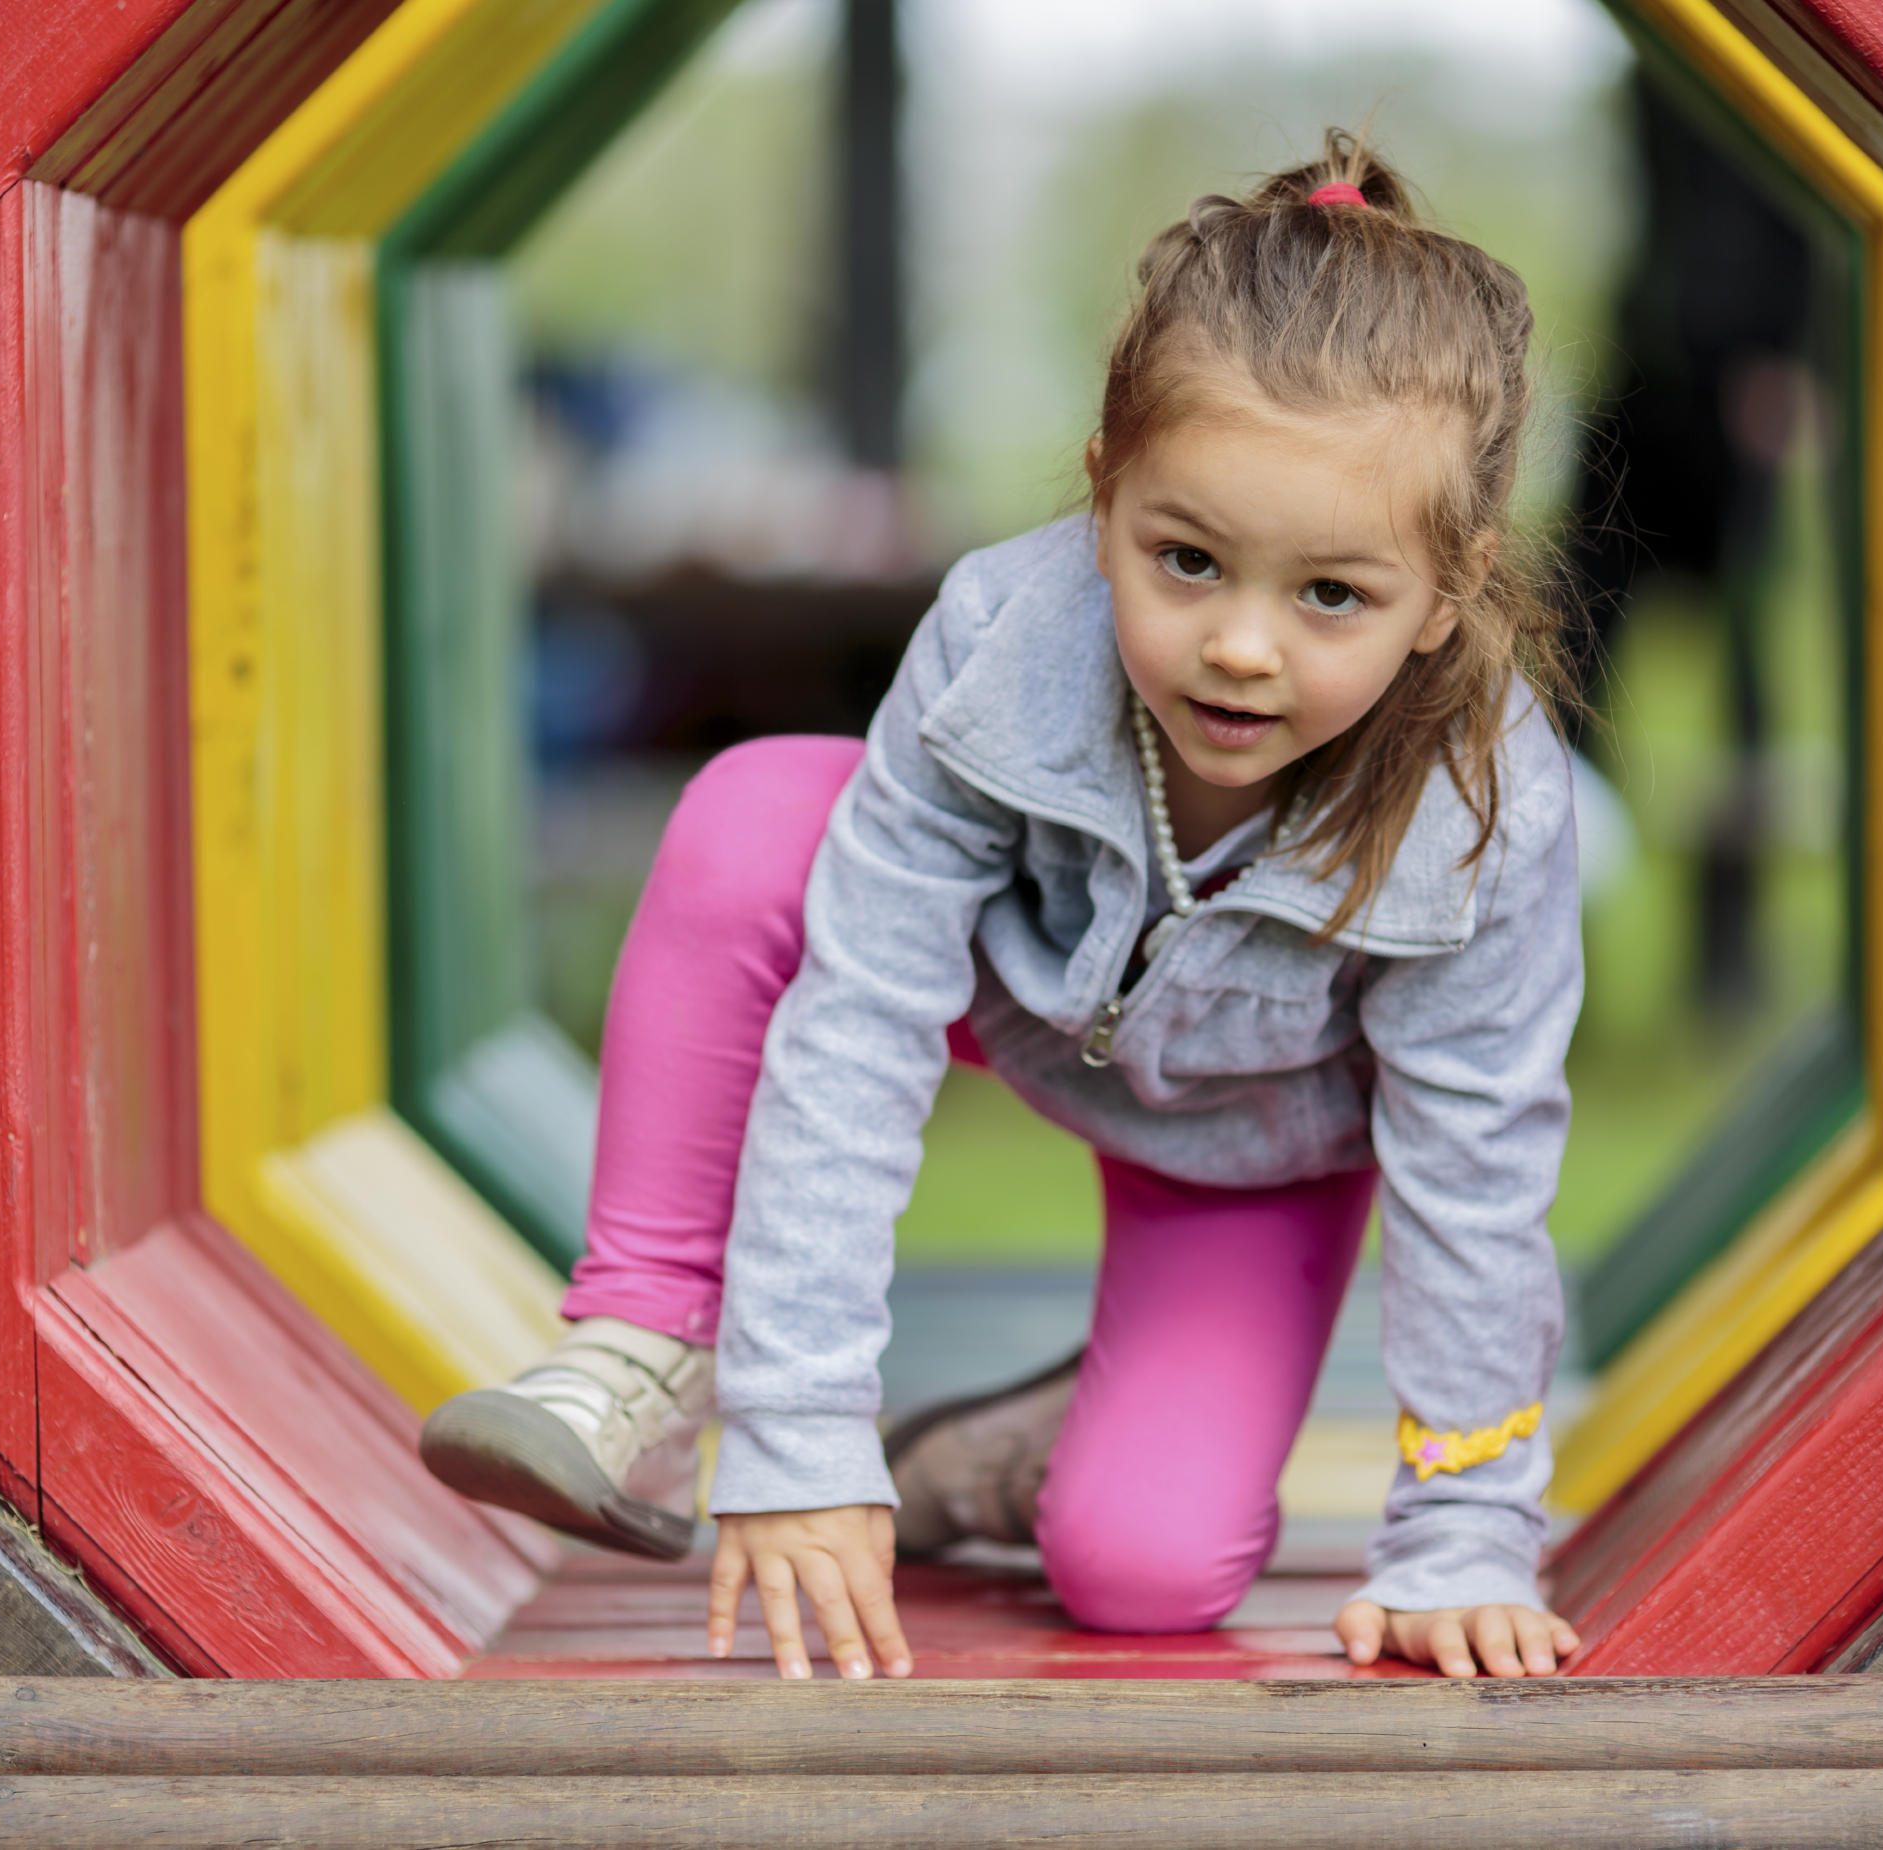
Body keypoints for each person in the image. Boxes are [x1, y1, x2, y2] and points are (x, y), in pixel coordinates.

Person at [423, 132, 1585, 1683]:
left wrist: (1464, 1534)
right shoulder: (1002, 648)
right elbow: (854, 1034)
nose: (1241, 645)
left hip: (1257, 1139)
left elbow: (1476, 1176)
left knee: (1147, 1572)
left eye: (1330, 597)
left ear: (1446, 591)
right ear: (1104, 499)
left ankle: (1025, 1445)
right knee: (762, 815)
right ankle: (641, 1339)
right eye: (1186, 560)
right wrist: (802, 1428)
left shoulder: (1478, 811)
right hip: (1011, 990)